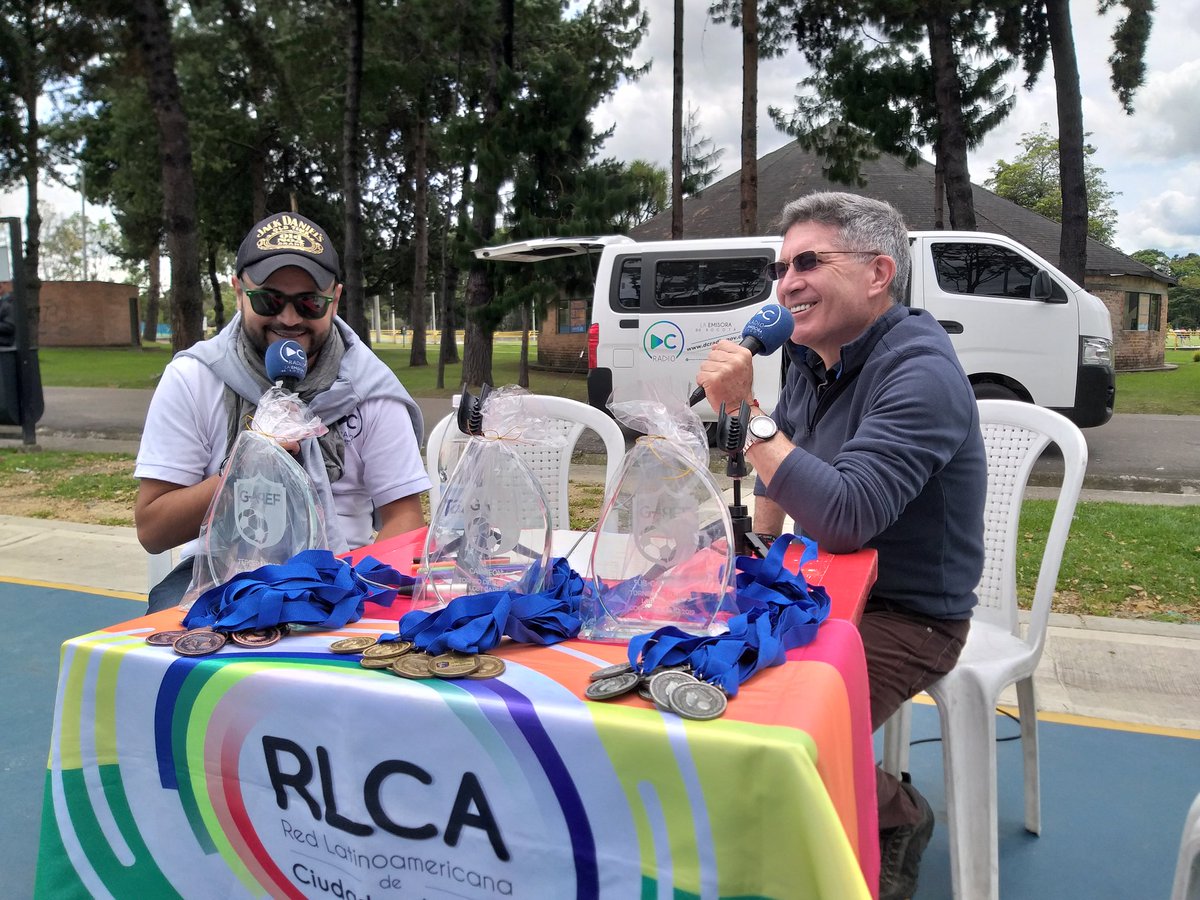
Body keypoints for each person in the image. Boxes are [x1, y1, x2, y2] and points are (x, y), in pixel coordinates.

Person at [696, 191, 987, 900]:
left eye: (808, 262)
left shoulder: (921, 372)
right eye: (780, 266)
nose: (786, 281)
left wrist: (744, 412)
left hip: (910, 615)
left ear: (878, 272)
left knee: (780, 725)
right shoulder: (811, 357)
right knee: (693, 669)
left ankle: (896, 812)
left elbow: (846, 515)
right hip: (825, 593)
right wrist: (756, 557)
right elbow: (782, 474)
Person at [135, 211, 431, 611]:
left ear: (335, 299)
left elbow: (405, 519)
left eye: (310, 302)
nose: (289, 319)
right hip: (219, 576)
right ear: (239, 292)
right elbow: (153, 529)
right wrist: (241, 469)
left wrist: (353, 588)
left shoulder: (369, 388)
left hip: (343, 574)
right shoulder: (194, 378)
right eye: (269, 299)